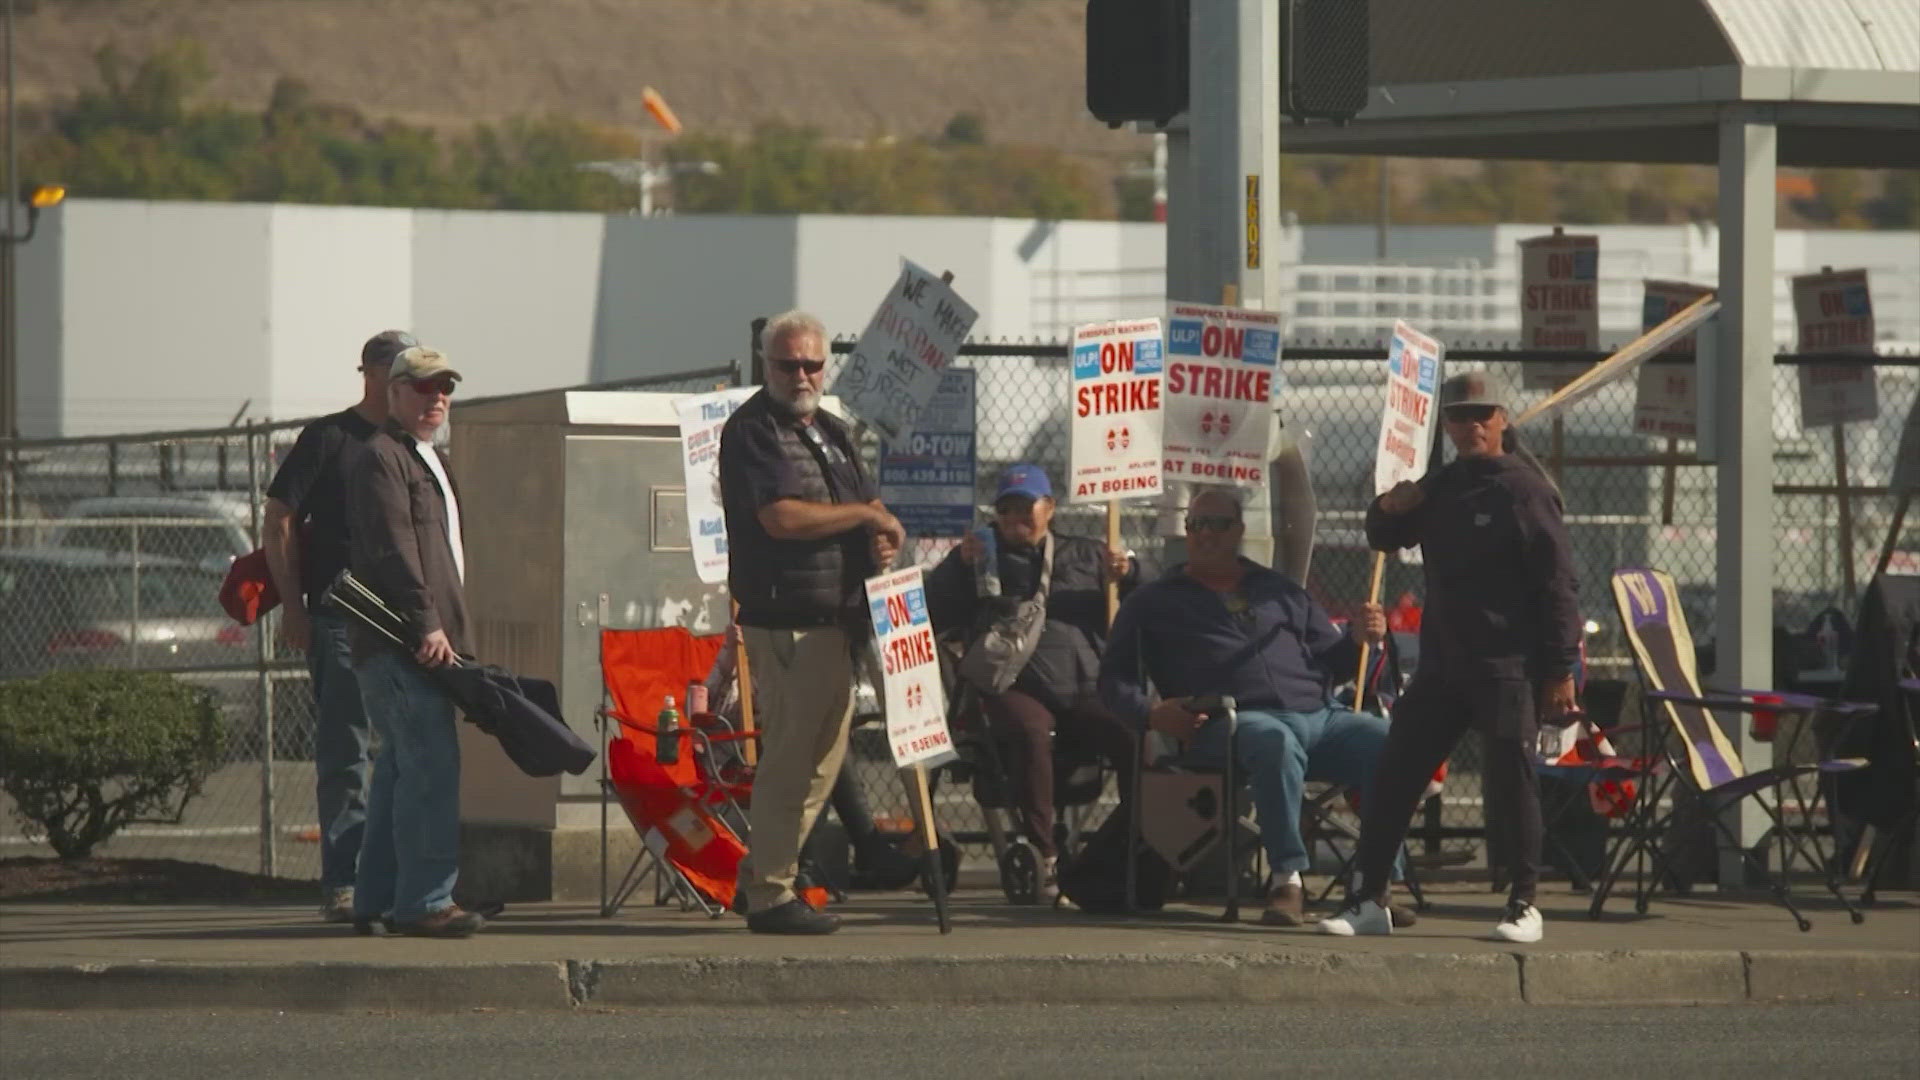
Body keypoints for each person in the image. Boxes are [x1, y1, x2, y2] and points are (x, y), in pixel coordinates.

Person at [1320, 370, 1580, 943]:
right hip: (1443, 667)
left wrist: (1560, 669)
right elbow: (1382, 538)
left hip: (1508, 666)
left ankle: (1523, 904)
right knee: (1394, 775)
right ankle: (1369, 901)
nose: (1470, 426)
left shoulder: (1526, 490)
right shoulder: (1440, 485)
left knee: (1511, 784)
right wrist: (1389, 506)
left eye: (1481, 415)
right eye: (1459, 417)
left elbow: (1559, 585)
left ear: (1503, 420)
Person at [1100, 486, 1413, 928]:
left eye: (1217, 524)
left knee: (1390, 743)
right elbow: (1113, 681)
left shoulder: (1280, 590)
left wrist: (1361, 641)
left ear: (1240, 531)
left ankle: (1372, 885)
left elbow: (1336, 663)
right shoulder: (1153, 601)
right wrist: (1152, 713)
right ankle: (1287, 880)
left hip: (1318, 715)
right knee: (1273, 741)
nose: (1205, 534)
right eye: (1195, 525)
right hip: (1228, 723)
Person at [718, 310, 904, 934]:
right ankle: (772, 894)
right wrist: (861, 519)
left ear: (827, 367)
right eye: (787, 363)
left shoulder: (832, 428)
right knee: (790, 762)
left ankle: (763, 877)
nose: (800, 375)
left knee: (823, 762)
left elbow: (865, 504)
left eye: (811, 364)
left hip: (838, 619)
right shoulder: (753, 431)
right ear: (765, 365)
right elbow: (781, 518)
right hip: (788, 621)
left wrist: (882, 532)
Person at [924, 463, 1137, 902]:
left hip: (1083, 685)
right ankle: (1047, 854)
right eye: (1006, 509)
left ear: (1050, 508)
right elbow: (935, 611)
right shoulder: (979, 555)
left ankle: (1134, 840)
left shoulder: (1089, 554)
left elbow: (1147, 600)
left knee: (1132, 732)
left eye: (1026, 507)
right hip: (1013, 685)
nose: (1015, 517)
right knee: (1030, 733)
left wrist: (1131, 574)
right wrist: (955, 568)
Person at [262, 328, 415, 923]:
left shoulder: (412, 444)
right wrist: (294, 607)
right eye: (404, 372)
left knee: (411, 749)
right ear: (373, 374)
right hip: (339, 616)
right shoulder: (330, 437)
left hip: (406, 621)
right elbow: (279, 516)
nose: (417, 387)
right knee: (347, 749)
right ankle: (345, 881)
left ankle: (401, 880)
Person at [344, 345, 485, 938]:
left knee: (402, 770)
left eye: (444, 388)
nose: (437, 399)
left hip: (429, 639)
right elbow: (393, 546)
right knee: (430, 767)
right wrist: (426, 623)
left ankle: (376, 900)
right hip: (405, 643)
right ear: (394, 393)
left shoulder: (429, 457)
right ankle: (427, 902)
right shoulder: (382, 456)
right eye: (424, 388)